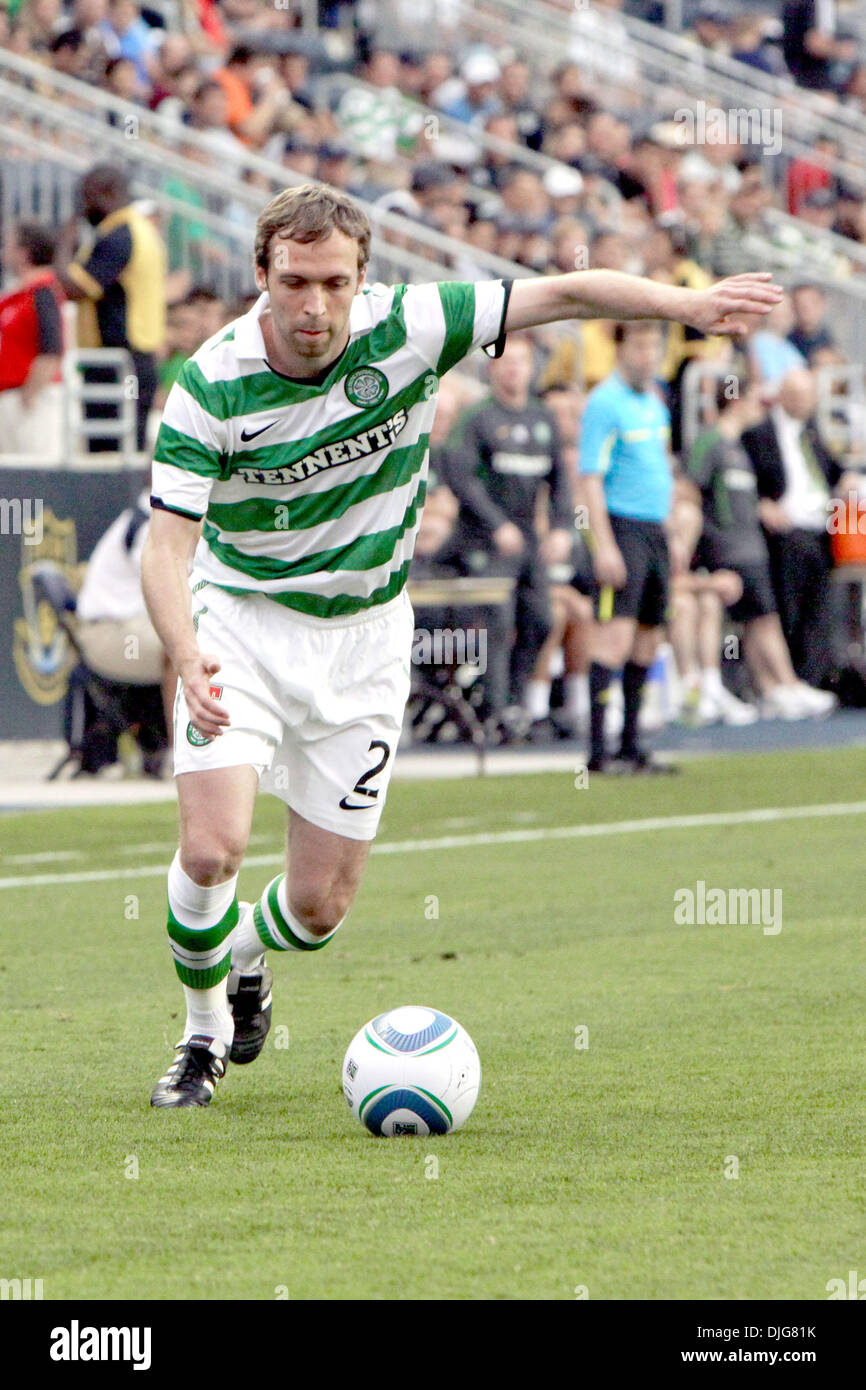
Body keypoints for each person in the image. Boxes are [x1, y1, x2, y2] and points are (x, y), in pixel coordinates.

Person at [141, 182, 781, 1107]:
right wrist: (187, 650)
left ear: (365, 279)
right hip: (243, 623)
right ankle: (199, 1040)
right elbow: (168, 548)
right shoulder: (210, 383)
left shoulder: (414, 325)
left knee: (319, 909)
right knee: (212, 850)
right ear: (261, 277)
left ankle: (245, 955)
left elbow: (561, 295)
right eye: (294, 283)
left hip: (366, 638)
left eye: (333, 282)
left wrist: (687, 306)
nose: (313, 306)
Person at [684, 374, 836, 719]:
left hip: (750, 546)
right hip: (729, 549)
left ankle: (774, 687)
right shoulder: (711, 442)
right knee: (763, 617)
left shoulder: (740, 448)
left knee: (759, 619)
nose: (760, 408)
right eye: (753, 399)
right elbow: (690, 492)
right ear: (736, 400)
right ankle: (782, 684)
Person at [578, 320, 678, 774]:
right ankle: (598, 752)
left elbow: (662, 469)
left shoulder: (656, 404)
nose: (648, 356)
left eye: (654, 347)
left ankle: (632, 745)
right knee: (612, 639)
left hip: (656, 532)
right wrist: (603, 545)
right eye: (640, 347)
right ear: (621, 349)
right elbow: (590, 479)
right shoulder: (603, 403)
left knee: (647, 639)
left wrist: (672, 532)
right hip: (623, 529)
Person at [742, 369, 849, 691]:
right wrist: (761, 504)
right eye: (799, 396)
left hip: (820, 529)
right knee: (789, 605)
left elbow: (833, 471)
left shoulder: (812, 432)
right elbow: (743, 477)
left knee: (819, 609)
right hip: (784, 532)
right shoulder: (759, 434)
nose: (806, 403)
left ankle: (814, 679)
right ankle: (786, 680)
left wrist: (848, 481)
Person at [53, 164, 166, 451]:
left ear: (107, 193)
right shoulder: (140, 229)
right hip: (133, 357)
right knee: (127, 449)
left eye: (86, 197)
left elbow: (74, 288)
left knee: (111, 454)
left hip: (119, 362)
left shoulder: (120, 235)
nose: (83, 207)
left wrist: (65, 241)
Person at [0, 222, 65, 459]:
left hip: (30, 398)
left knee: (36, 474)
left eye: (9, 245)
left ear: (24, 252)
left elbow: (51, 347)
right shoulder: (19, 296)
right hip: (12, 397)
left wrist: (32, 392)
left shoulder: (43, 293)